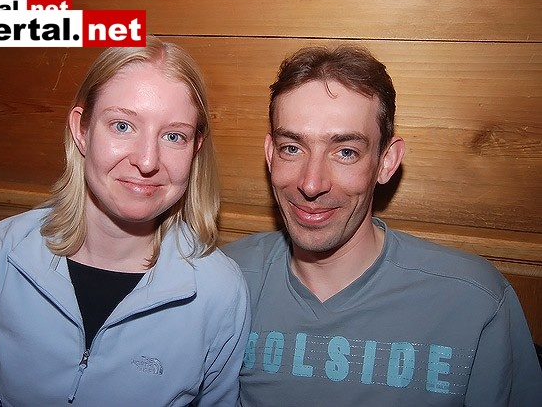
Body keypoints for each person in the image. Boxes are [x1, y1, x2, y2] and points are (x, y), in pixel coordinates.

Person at [0, 36, 250, 406]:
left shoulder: (219, 291)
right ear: (81, 130)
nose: (147, 161)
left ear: (195, 148)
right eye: (122, 126)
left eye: (174, 135)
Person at [222, 45, 542, 405]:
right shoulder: (222, 281)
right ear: (270, 155)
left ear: (386, 161)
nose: (311, 184)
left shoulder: (473, 300)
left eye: (346, 152)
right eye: (292, 148)